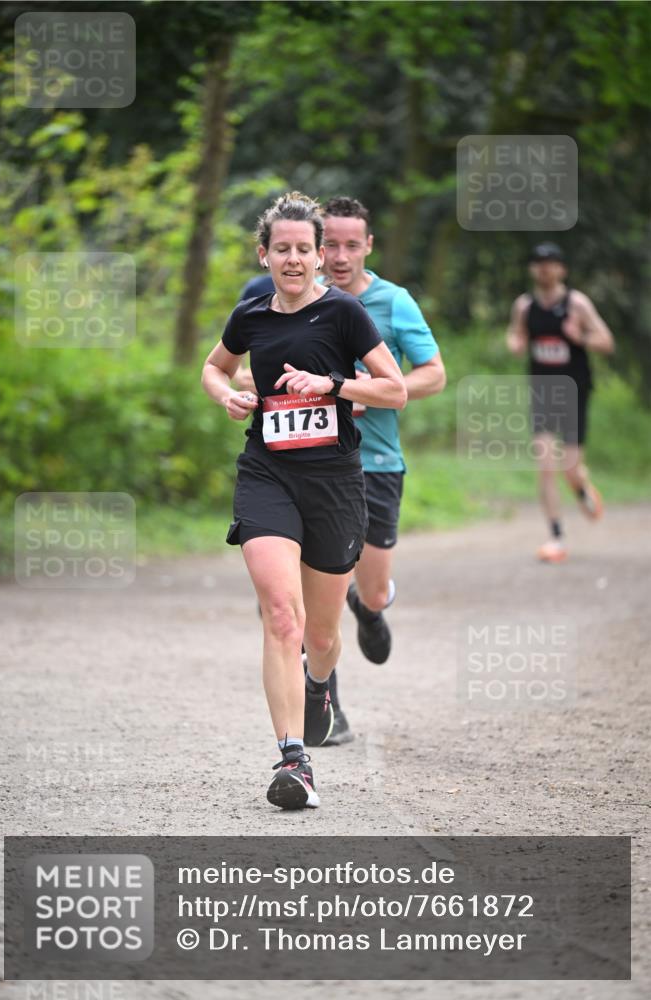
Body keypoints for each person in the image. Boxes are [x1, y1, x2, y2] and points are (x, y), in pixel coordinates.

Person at [201, 192, 407, 810]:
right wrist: (226, 395)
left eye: (304, 250)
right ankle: (294, 759)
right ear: (264, 254)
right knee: (280, 616)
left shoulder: (346, 314)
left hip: (334, 483)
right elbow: (215, 368)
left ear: (320, 257)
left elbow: (394, 390)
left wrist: (333, 385)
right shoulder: (250, 315)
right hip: (266, 472)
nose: (293, 260)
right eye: (282, 249)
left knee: (320, 634)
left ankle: (320, 684)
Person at [320, 196, 446, 744]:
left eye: (352, 244)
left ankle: (368, 608)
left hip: (376, 465)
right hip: (314, 462)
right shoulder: (295, 299)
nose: (339, 255)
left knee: (368, 591)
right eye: (330, 243)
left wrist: (379, 392)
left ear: (369, 246)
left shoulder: (393, 303)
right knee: (309, 597)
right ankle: (327, 709)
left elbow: (434, 375)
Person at [506, 242, 615, 562]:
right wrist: (515, 343)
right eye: (539, 263)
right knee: (545, 465)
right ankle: (556, 537)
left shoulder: (576, 303)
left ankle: (581, 487)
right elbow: (515, 335)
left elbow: (606, 341)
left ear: (561, 269)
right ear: (532, 269)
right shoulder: (524, 306)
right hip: (542, 392)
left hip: (575, 392)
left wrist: (579, 336)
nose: (545, 268)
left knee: (570, 467)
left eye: (551, 263)